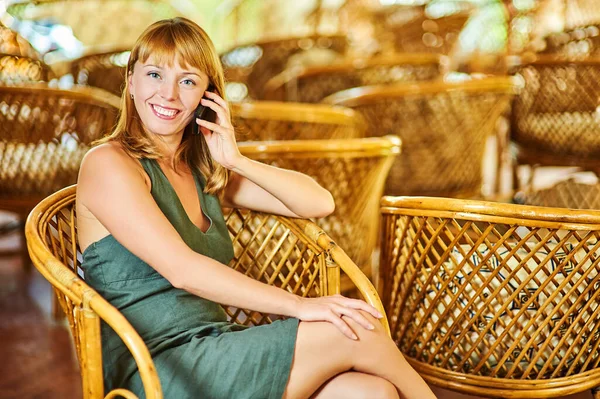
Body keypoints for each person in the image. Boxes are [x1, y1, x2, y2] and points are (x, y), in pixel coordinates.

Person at [76, 17, 437, 399]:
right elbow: (182, 270)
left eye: (187, 81)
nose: (168, 94)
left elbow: (319, 202)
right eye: (154, 74)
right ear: (130, 81)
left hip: (216, 345)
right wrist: (300, 306)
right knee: (355, 328)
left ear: (207, 97)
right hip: (154, 367)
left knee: (371, 392)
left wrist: (236, 161)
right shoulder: (108, 163)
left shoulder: (201, 169)